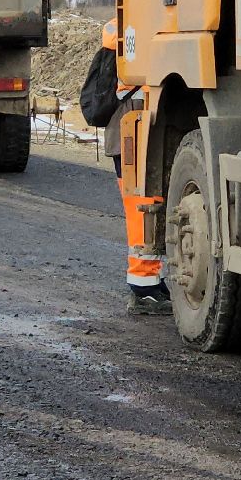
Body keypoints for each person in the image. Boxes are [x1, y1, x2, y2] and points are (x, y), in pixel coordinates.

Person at [101, 20, 171, 314]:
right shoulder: (137, 25)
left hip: (127, 131)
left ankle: (148, 282)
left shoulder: (116, 27)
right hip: (133, 132)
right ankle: (145, 287)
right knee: (143, 208)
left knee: (140, 209)